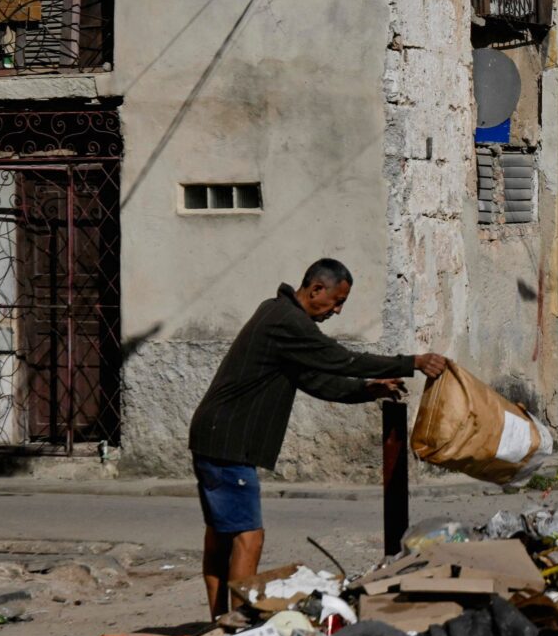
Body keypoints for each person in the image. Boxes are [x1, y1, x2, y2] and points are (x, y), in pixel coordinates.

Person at [188, 258, 447, 616]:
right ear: (316, 289)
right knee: (248, 537)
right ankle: (238, 626)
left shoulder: (277, 314)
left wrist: (366, 390)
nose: (337, 311)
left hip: (215, 435)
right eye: (337, 302)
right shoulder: (287, 321)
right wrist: (411, 362)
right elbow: (341, 360)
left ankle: (219, 622)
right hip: (229, 442)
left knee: (221, 537)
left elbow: (314, 380)